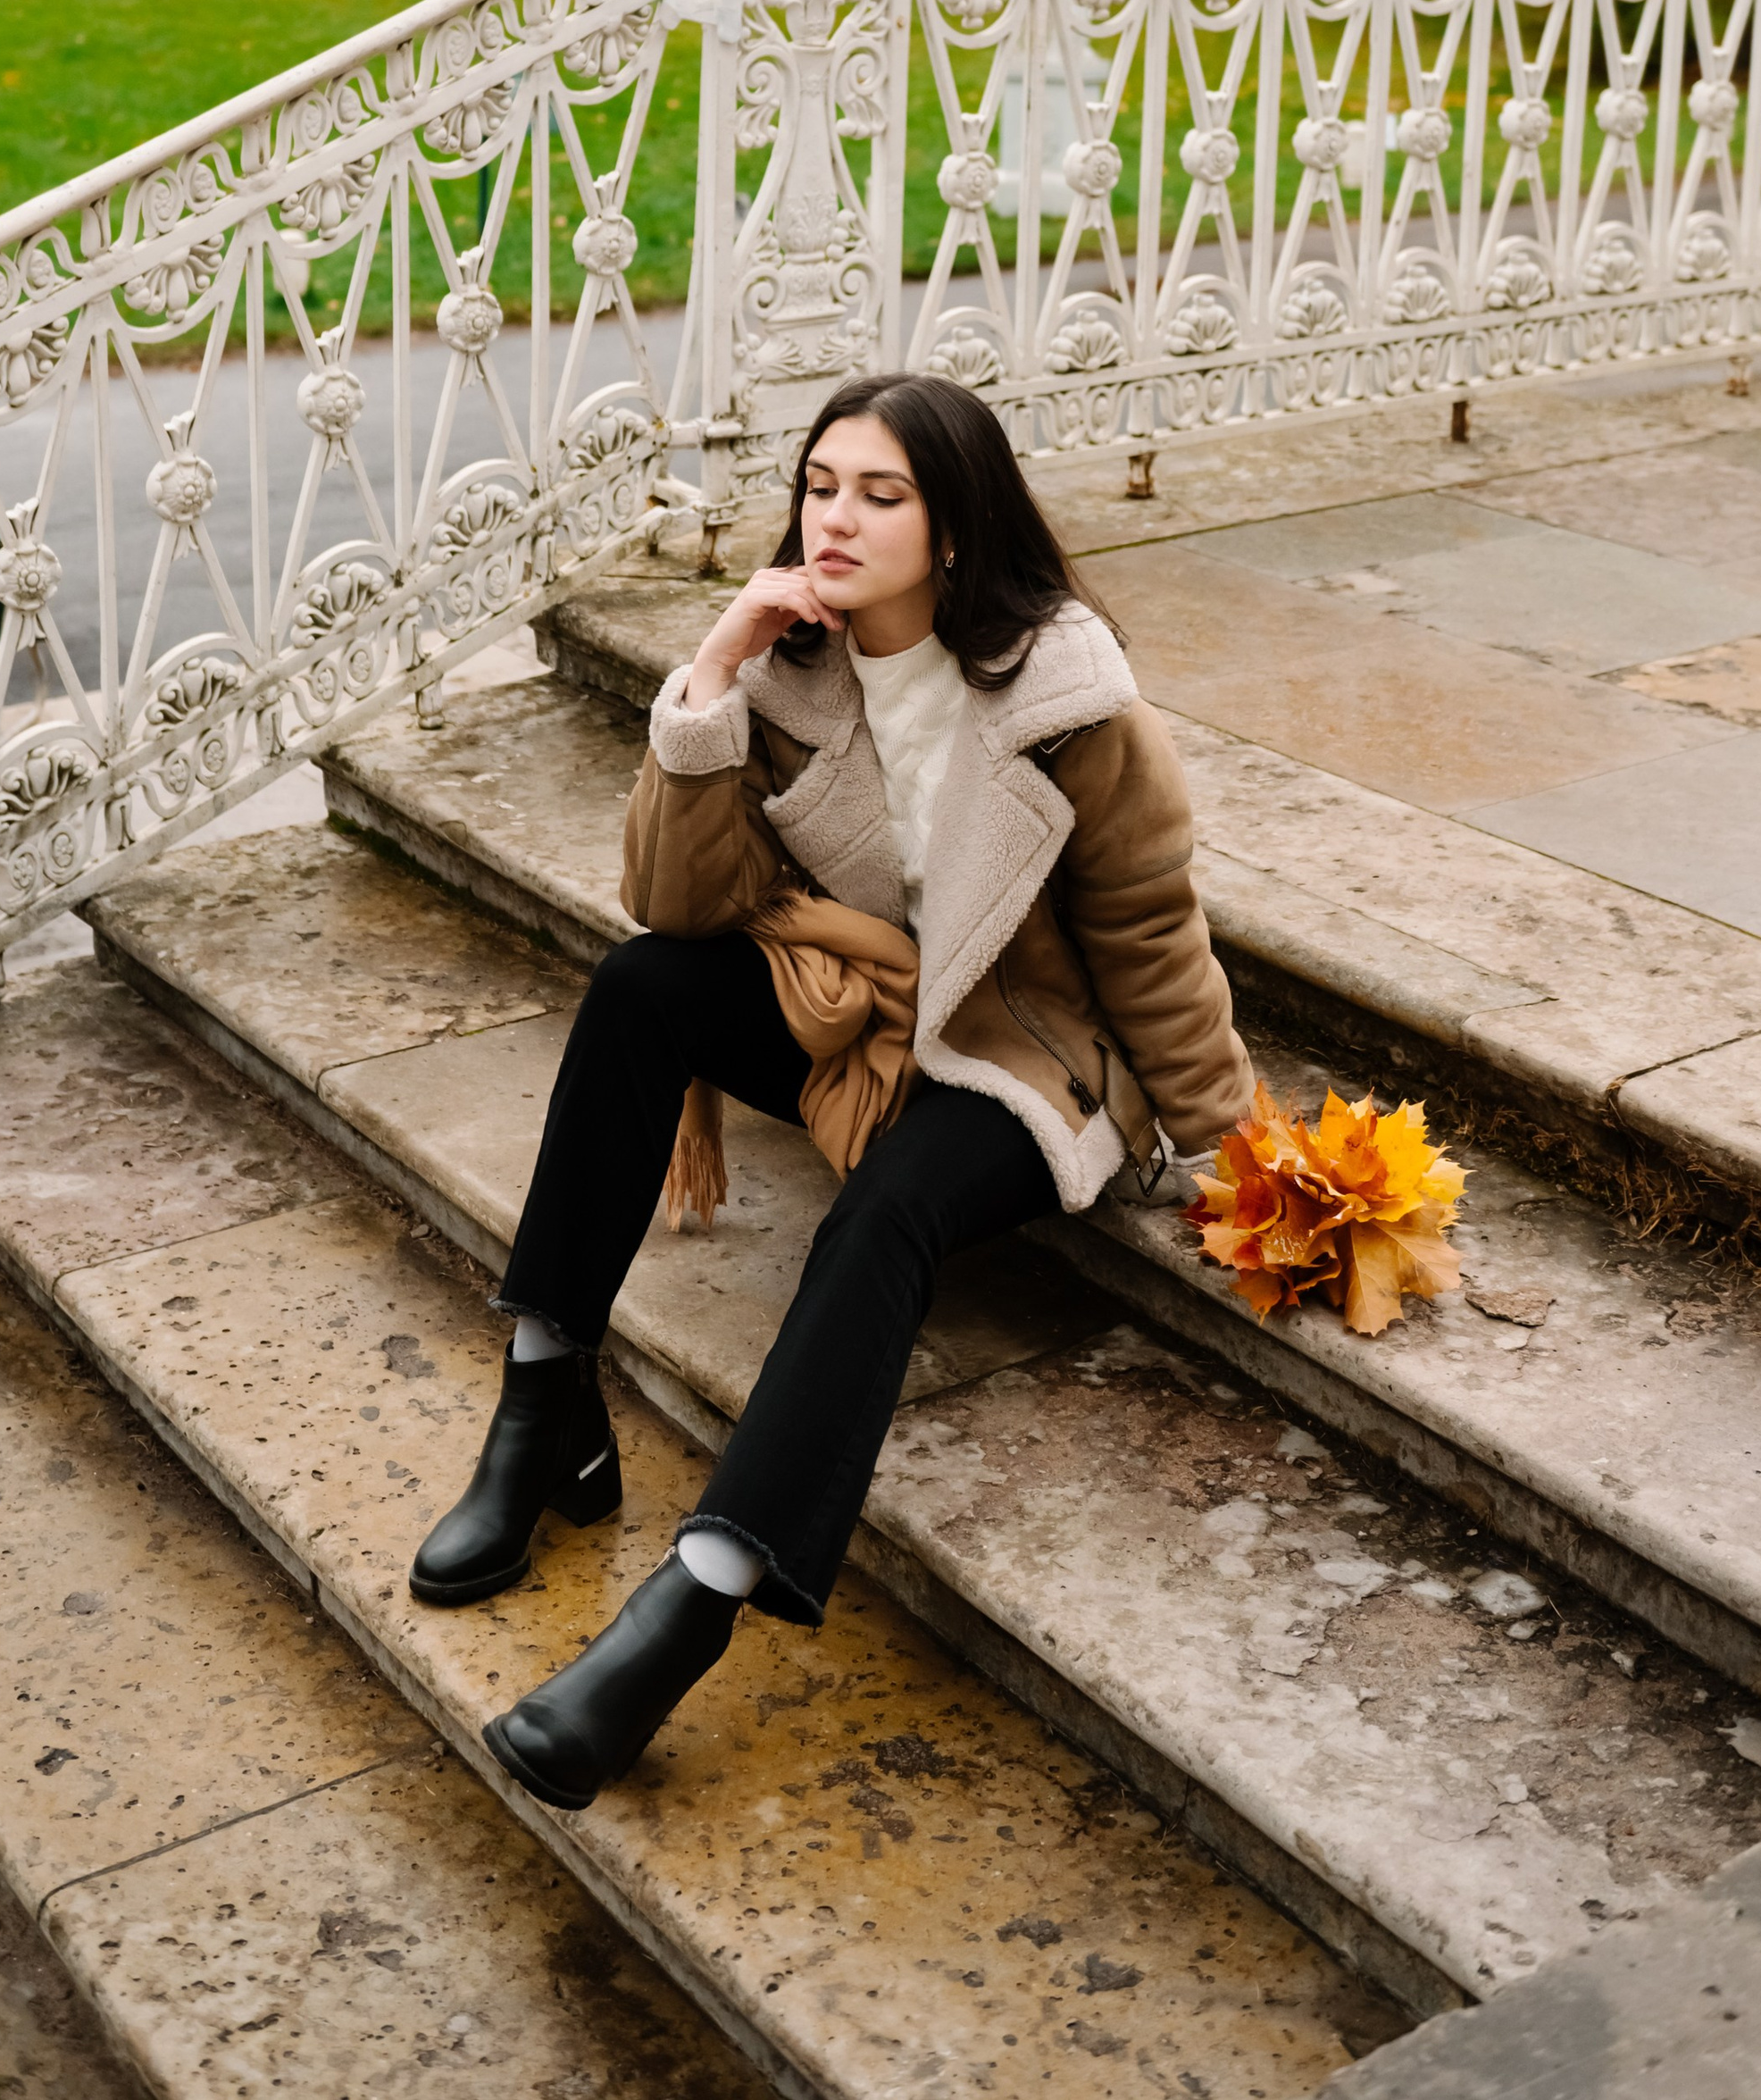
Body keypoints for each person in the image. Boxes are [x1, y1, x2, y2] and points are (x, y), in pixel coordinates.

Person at [411, 372, 1255, 1811]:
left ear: (957, 519)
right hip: (859, 1008)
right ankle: (543, 1402)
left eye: (882, 494)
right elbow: (677, 904)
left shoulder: (1069, 701)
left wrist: (1235, 1149)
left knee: (885, 1212)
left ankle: (694, 1599)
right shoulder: (796, 665)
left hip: (1019, 1055)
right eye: (820, 487)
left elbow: (1148, 935)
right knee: (637, 987)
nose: (839, 519)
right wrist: (717, 669)